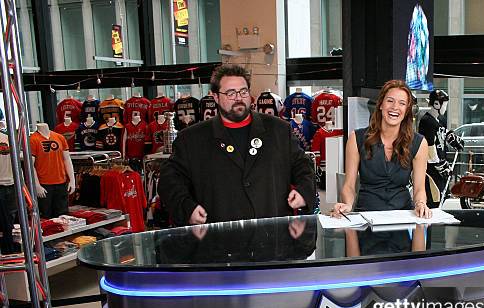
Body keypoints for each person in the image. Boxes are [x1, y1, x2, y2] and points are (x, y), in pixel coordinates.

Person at [158, 64, 316, 225]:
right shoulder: (191, 139)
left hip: (272, 237)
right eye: (230, 93)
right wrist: (187, 208)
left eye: (243, 91)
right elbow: (169, 181)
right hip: (218, 240)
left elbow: (303, 166)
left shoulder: (279, 130)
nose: (238, 98)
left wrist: (304, 191)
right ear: (215, 97)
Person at [332, 79, 431, 218]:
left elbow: (419, 188)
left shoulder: (419, 143)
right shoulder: (356, 138)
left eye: (402, 103)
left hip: (402, 217)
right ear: (381, 105)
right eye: (390, 101)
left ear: (407, 110)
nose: (395, 107)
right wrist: (347, 204)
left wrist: (421, 203)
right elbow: (349, 185)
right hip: (367, 217)